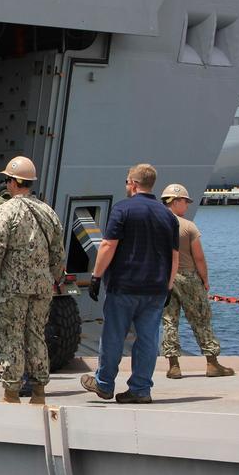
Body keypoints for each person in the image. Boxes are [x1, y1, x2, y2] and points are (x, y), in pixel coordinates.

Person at [81, 164, 179, 404]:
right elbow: (174, 256)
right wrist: (168, 286)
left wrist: (96, 276)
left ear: (134, 184)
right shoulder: (168, 215)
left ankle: (104, 384)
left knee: (114, 336)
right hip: (156, 289)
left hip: (124, 286)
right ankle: (140, 389)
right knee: (147, 339)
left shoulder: (122, 209)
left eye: (127, 181)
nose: (126, 185)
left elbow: (108, 245)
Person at [0, 156, 65, 405]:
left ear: (14, 182)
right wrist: (54, 278)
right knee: (36, 334)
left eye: (7, 180)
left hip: (12, 289)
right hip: (42, 287)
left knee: (11, 336)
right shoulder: (49, 212)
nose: (6, 184)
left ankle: (11, 393)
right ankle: (39, 393)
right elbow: (58, 254)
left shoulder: (5, 211)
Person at [159, 184, 234, 380]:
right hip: (188, 276)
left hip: (165, 278)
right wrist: (205, 280)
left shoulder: (156, 224)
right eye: (185, 202)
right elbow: (199, 257)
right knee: (201, 319)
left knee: (169, 321)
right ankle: (212, 363)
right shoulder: (188, 226)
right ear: (175, 201)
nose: (187, 206)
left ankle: (173, 365)